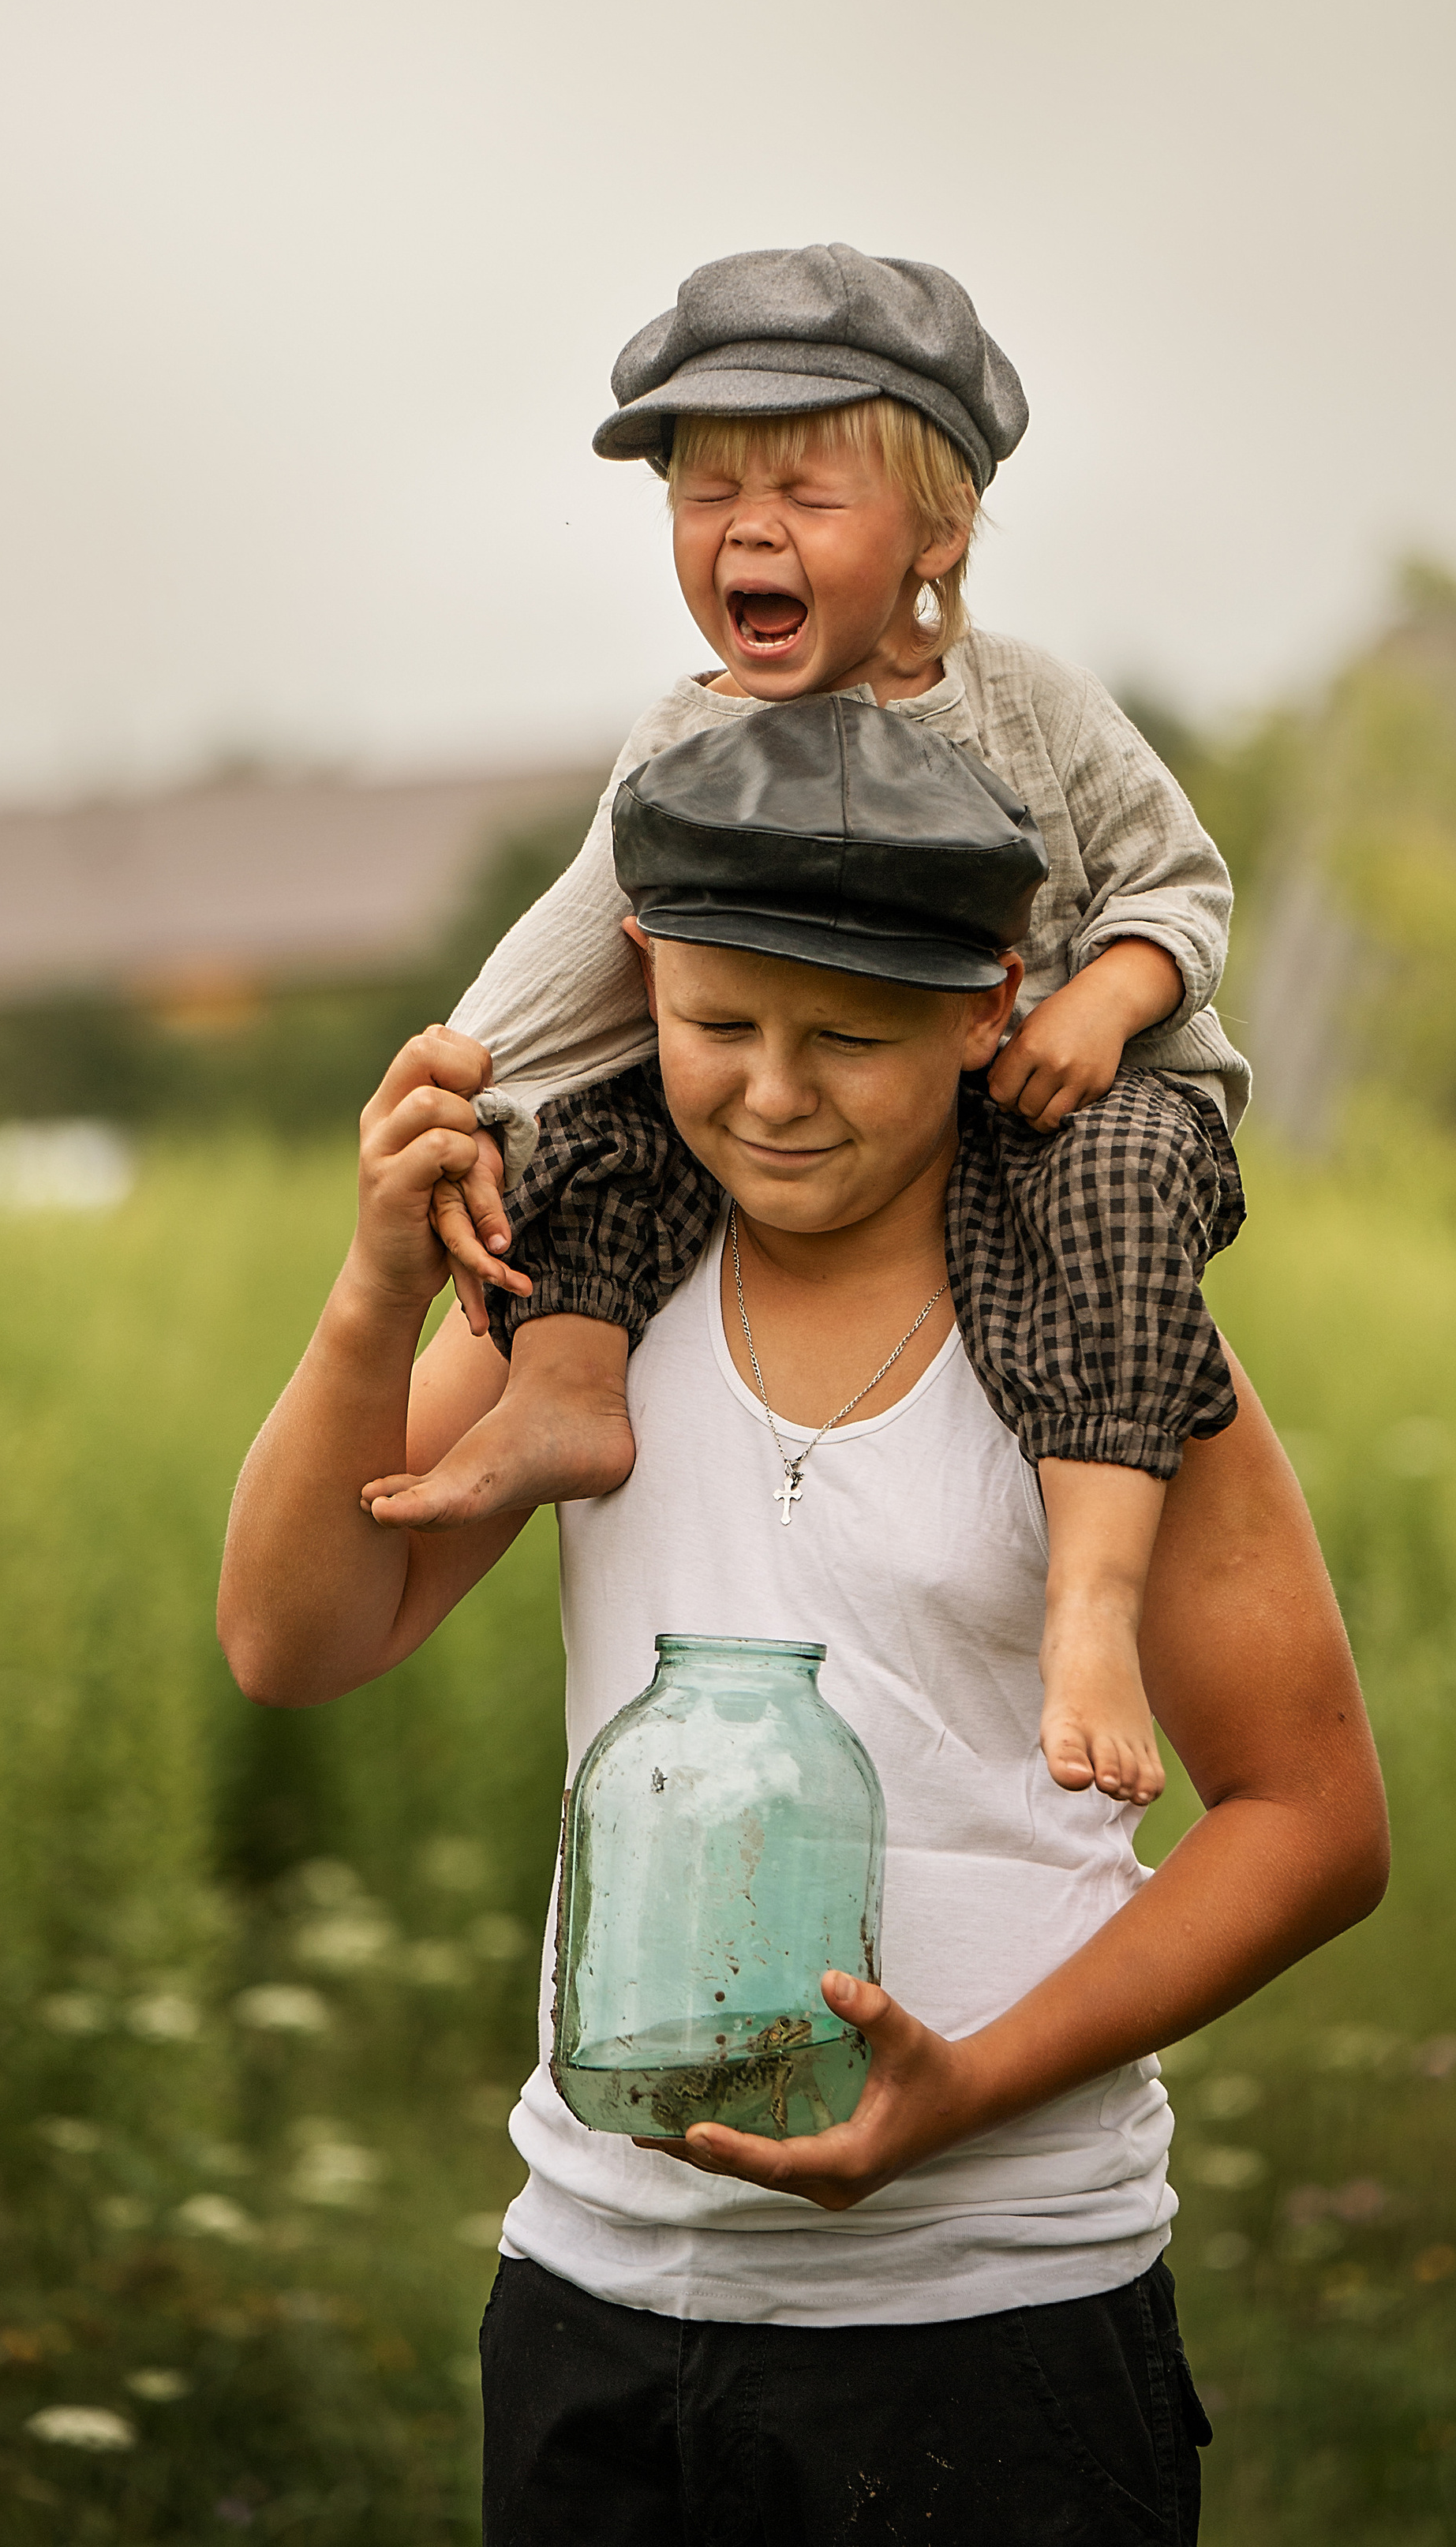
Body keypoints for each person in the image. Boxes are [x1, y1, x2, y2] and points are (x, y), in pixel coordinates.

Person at [219, 701, 1389, 2547]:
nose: (770, 1091)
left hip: (995, 2314)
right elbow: (292, 1643)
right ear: (638, 977)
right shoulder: (574, 1312)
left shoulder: (1109, 1339)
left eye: (847, 1039)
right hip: (594, 2296)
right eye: (714, 1028)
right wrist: (376, 1295)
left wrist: (965, 2093)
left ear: (987, 1008)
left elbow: (1312, 1821)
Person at [401, 242, 1253, 1810]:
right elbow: (580, 943)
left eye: (803, 493)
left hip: (1071, 1100)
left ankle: (1089, 1605)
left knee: (1123, 1197)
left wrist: (1104, 999)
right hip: (835, 1122)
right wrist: (460, 1091)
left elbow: (1178, 887)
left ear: (934, 530)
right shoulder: (687, 740)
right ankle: (568, 1390)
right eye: (705, 495)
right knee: (603, 1114)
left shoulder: (1027, 709)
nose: (748, 531)